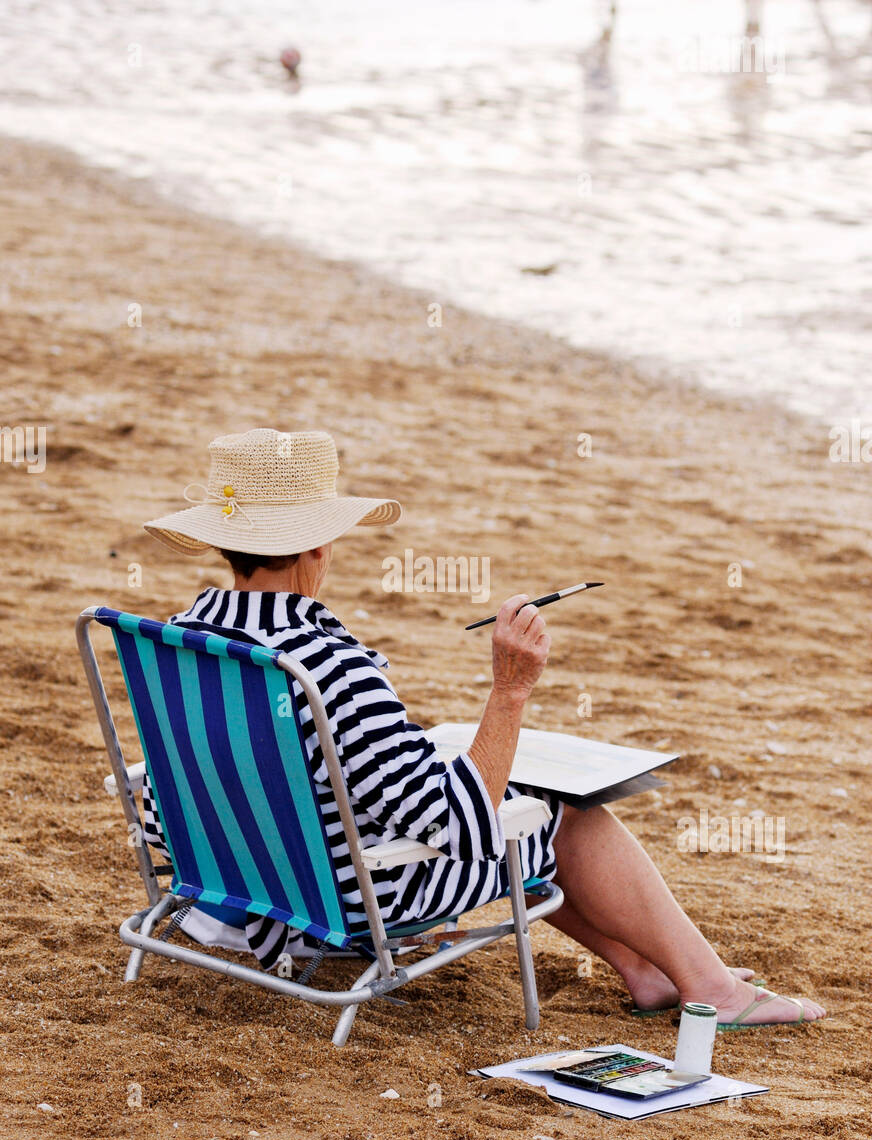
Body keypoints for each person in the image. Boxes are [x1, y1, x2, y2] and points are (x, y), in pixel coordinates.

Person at [140, 427, 824, 1028]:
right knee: (561, 816)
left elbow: (169, 799)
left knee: (496, 787)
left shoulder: (181, 643)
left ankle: (648, 975)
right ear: (321, 543)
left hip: (252, 873)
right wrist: (510, 690)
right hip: (348, 899)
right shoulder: (331, 667)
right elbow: (459, 829)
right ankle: (711, 987)